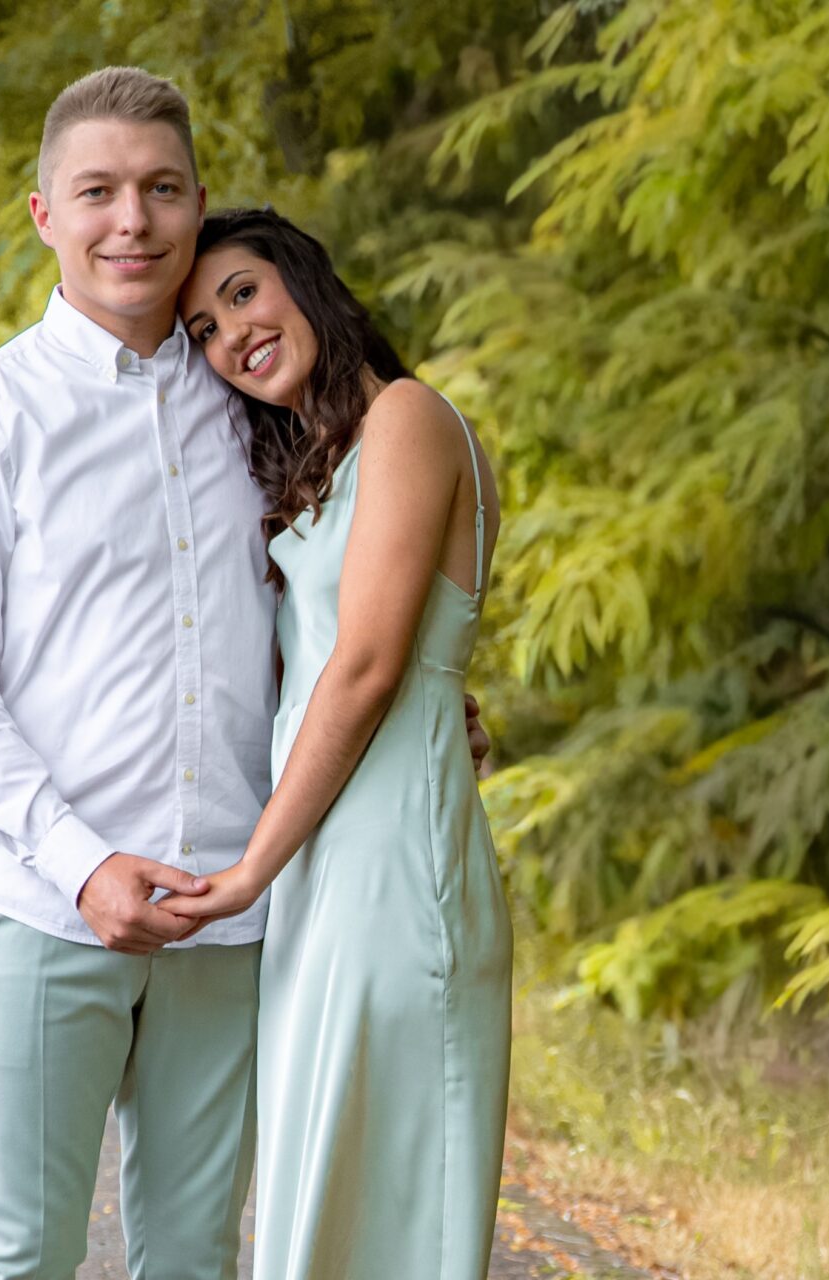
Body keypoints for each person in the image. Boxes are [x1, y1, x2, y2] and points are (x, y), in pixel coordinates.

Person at [0, 69, 484, 1279]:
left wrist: (425, 701)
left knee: (196, 1258)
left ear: (198, 203)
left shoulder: (259, 408)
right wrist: (80, 861)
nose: (132, 220)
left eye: (161, 189)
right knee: (18, 1255)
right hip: (41, 904)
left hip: (230, 914)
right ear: (45, 214)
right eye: (97, 191)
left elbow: (328, 616)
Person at [169, 208, 513, 1279]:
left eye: (242, 293)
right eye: (203, 328)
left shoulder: (407, 415)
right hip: (324, 865)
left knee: (386, 1212)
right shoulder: (323, 464)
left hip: (390, 869)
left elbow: (363, 667)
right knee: (320, 1200)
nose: (231, 334)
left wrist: (245, 876)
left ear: (305, 280)